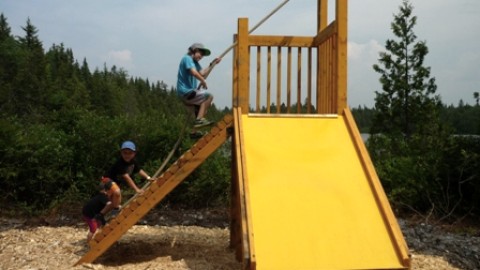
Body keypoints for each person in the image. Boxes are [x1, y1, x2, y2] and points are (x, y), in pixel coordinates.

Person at [177, 42, 222, 138]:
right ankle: (199, 121)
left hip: (190, 93)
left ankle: (194, 132)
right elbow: (194, 72)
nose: (201, 56)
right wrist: (203, 81)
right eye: (200, 54)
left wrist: (213, 64)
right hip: (186, 92)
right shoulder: (187, 58)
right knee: (209, 96)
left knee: (204, 109)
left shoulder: (195, 63)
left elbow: (203, 73)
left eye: (202, 55)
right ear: (194, 50)